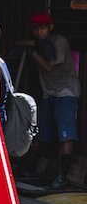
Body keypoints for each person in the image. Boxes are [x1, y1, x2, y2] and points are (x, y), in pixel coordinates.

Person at [22, 12, 80, 190]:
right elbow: (30, 44)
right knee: (41, 132)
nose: (40, 32)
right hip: (49, 93)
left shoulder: (60, 42)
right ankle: (29, 170)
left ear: (50, 28)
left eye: (43, 28)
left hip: (65, 92)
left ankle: (62, 177)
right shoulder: (40, 43)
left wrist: (32, 54)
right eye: (37, 29)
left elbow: (48, 66)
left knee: (66, 134)